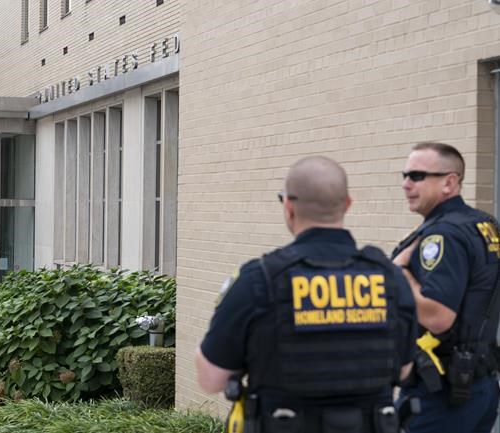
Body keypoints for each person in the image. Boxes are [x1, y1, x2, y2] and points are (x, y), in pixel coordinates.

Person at [196, 156, 417, 433]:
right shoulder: (390, 278)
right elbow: (404, 370)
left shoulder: (260, 278)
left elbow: (211, 379)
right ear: (347, 204)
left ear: (288, 206)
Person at [392, 142, 500, 433]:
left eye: (417, 176)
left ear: (449, 182)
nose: (406, 184)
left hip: (441, 395)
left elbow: (438, 317)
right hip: (478, 385)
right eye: (405, 175)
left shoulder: (443, 235)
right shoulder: (484, 224)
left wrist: (400, 273)